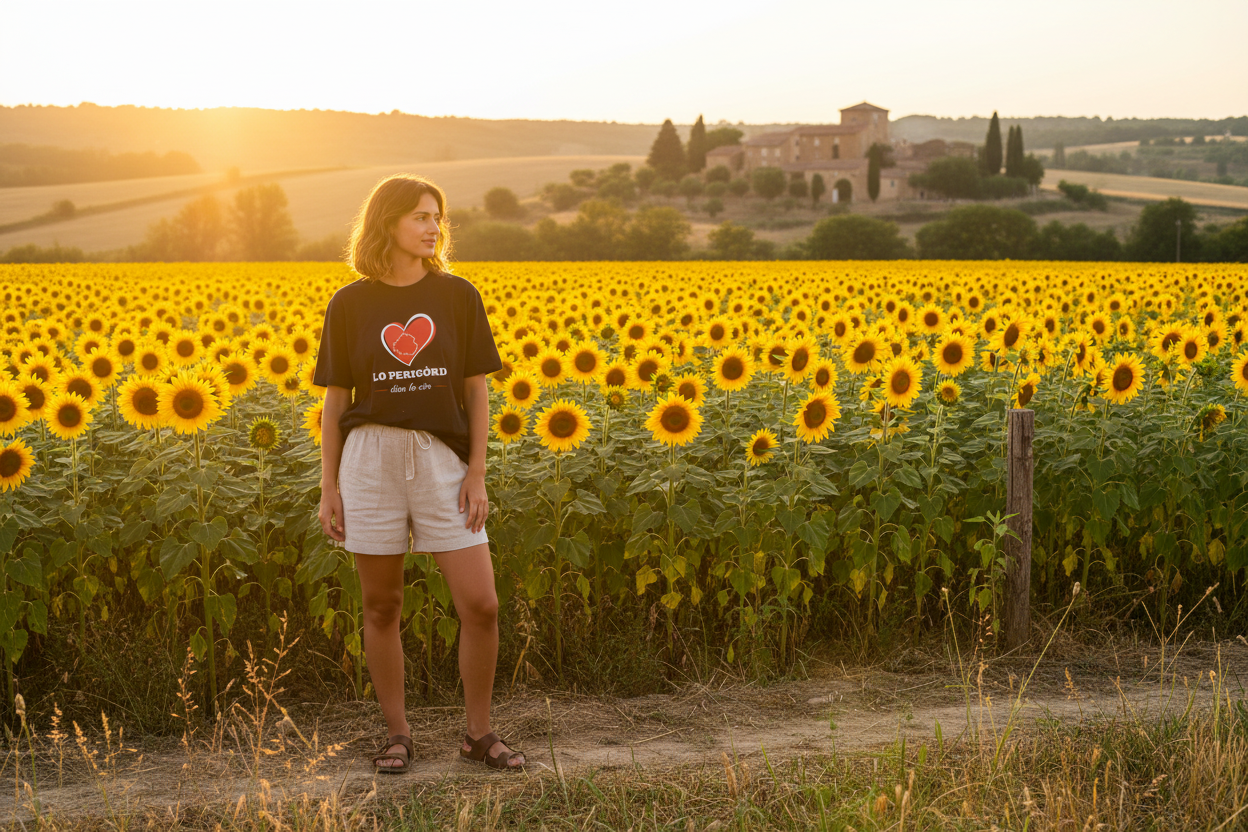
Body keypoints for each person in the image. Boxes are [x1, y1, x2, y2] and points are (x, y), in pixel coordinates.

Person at [313, 174, 525, 774]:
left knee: (481, 604)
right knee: (382, 605)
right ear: (388, 224)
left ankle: (478, 734)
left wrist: (477, 471)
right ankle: (398, 734)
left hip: (441, 460)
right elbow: (335, 402)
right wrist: (329, 484)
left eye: (438, 217)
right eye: (421, 217)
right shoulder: (350, 304)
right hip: (369, 460)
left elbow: (476, 391)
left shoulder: (458, 296)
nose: (434, 227)